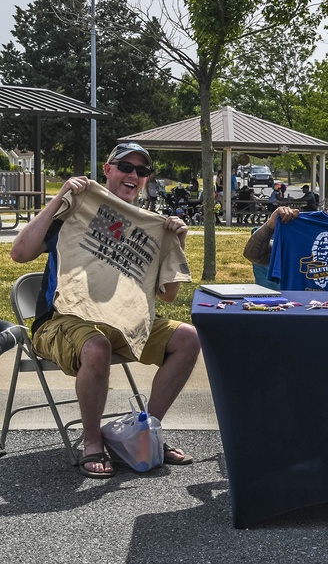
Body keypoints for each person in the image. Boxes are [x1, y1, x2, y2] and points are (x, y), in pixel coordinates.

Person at [9, 142, 200, 478]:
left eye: (142, 171)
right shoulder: (76, 209)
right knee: (96, 347)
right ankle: (93, 443)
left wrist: (177, 242)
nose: (134, 175)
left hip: (122, 321)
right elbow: (20, 254)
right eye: (126, 167)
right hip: (61, 318)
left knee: (188, 338)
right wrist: (61, 197)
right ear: (108, 170)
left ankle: (145, 434)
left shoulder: (150, 227)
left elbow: (168, 296)